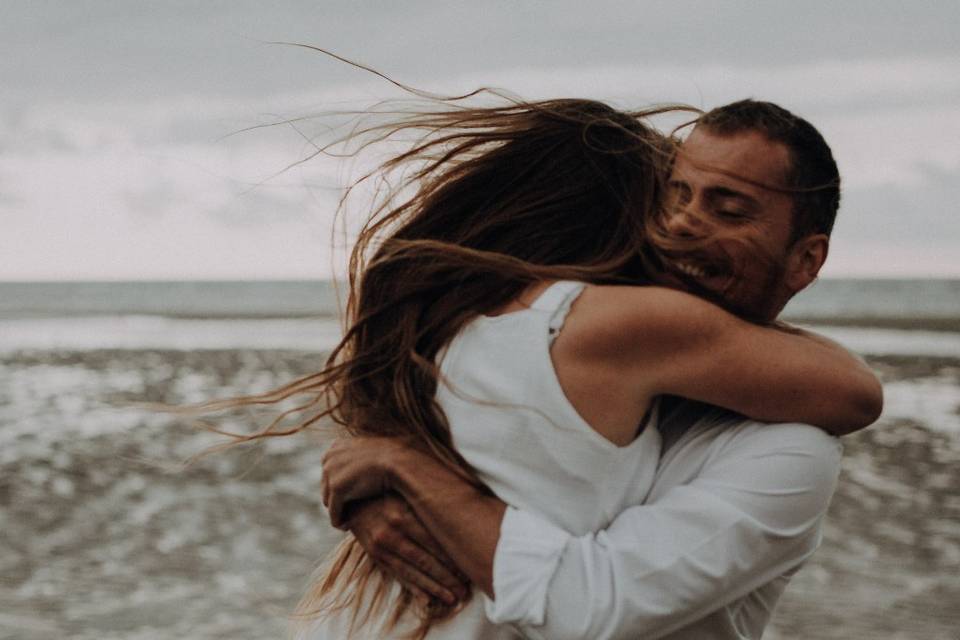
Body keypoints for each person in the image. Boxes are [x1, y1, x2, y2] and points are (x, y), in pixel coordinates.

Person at [318, 99, 882, 639]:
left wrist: (405, 471)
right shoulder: (589, 340)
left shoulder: (790, 449)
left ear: (807, 260)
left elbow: (582, 609)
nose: (683, 222)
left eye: (728, 210)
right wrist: (376, 477)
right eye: (674, 196)